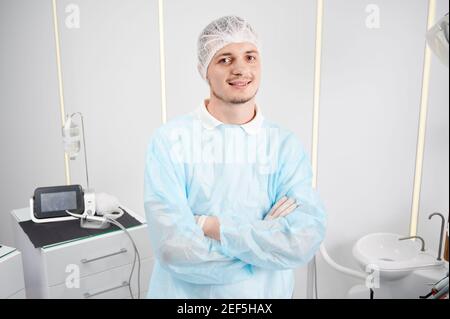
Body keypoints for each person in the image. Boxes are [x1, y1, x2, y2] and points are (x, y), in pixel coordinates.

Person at [144, 15, 326, 298]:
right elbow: (174, 248)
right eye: (225, 59)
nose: (241, 69)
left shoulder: (284, 146)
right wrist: (264, 245)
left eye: (250, 57)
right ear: (205, 70)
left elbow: (301, 241)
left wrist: (209, 226)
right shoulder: (171, 141)